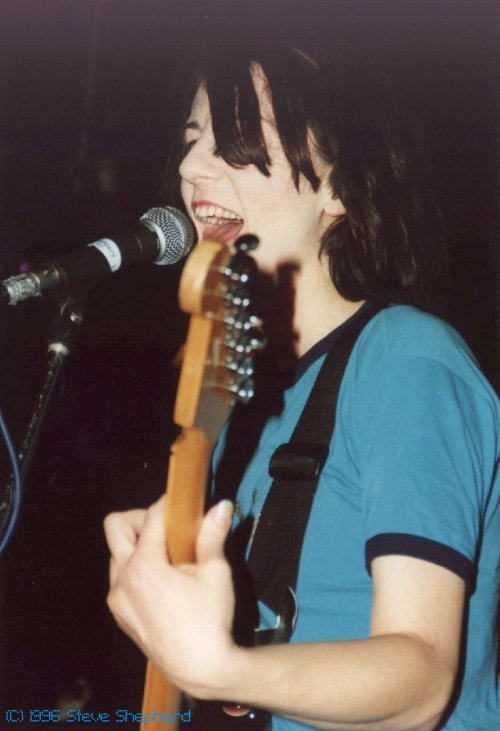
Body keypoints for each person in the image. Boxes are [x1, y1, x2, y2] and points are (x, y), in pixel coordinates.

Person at [104, 43, 499, 730]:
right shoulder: (242, 406)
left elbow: (423, 675)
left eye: (237, 143)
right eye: (193, 141)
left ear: (339, 187)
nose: (190, 167)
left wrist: (221, 668)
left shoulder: (408, 359)